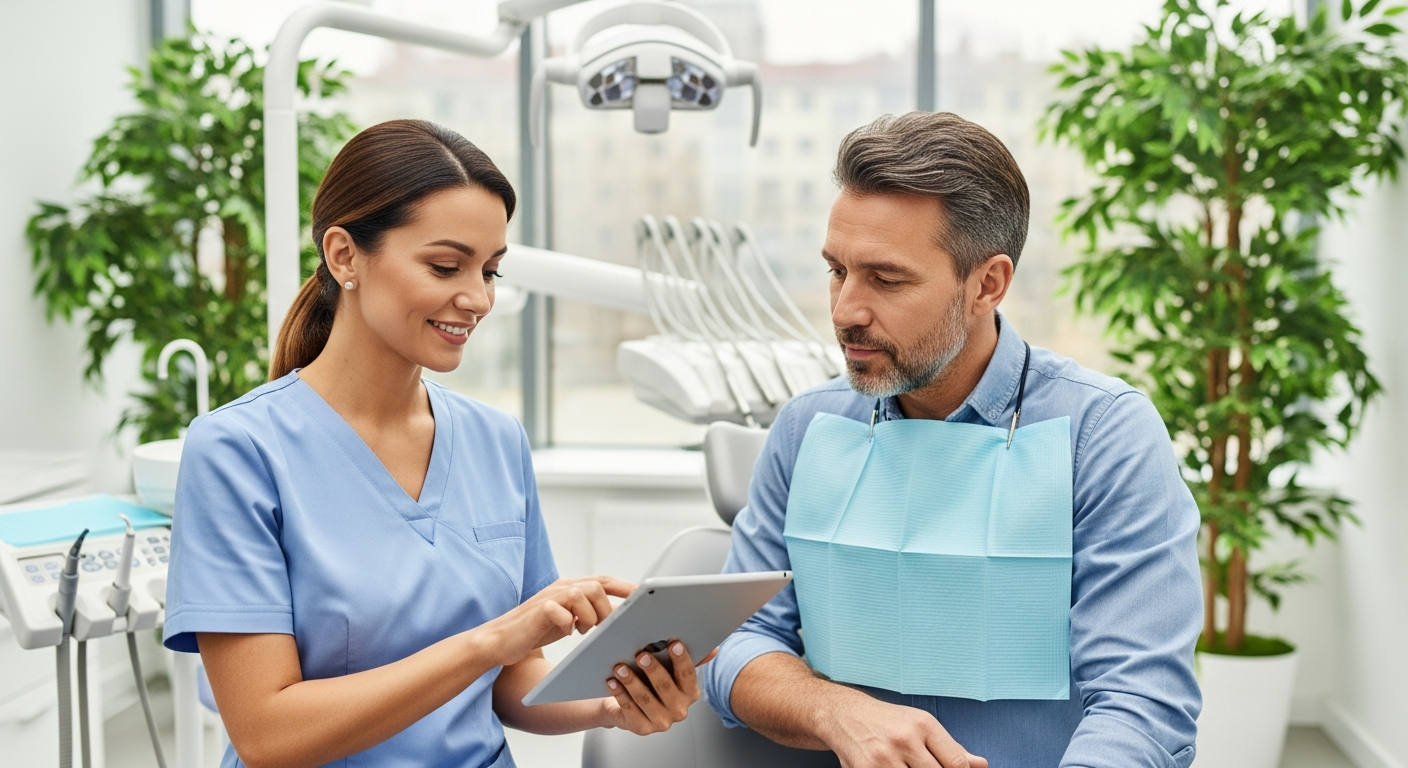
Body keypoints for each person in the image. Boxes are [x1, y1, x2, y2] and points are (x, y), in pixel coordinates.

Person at [163, 120, 701, 768]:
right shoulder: (238, 452)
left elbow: (512, 683)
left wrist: (615, 704)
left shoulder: (495, 441)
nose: (477, 298)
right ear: (344, 256)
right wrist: (487, 642)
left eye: (491, 270)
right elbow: (267, 732)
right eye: (445, 265)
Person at [700, 112, 1203, 768]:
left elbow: (1143, 701)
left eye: (886, 279)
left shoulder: (1104, 435)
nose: (846, 310)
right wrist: (835, 708)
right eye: (836, 271)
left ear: (987, 284)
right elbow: (735, 644)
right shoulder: (808, 426)